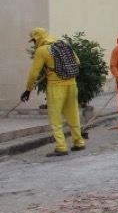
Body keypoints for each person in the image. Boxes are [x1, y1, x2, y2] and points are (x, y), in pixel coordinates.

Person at [21, 27, 86, 157]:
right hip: (72, 84)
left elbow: (34, 74)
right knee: (73, 115)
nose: (34, 43)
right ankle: (79, 142)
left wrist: (28, 90)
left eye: (34, 40)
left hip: (56, 87)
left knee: (55, 118)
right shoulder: (63, 44)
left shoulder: (42, 50)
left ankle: (61, 147)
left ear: (37, 38)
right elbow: (77, 62)